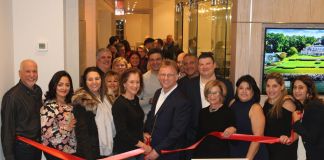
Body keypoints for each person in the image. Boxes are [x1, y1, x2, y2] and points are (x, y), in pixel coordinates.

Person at [144, 59, 191, 160]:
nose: (165, 78)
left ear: (177, 76)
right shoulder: (157, 93)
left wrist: (157, 150)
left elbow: (177, 132)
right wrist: (145, 131)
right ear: (158, 76)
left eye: (169, 75)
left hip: (169, 153)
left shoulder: (183, 100)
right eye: (162, 74)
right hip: (152, 147)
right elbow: (152, 115)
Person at [186, 53, 234, 148]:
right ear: (198, 66)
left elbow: (230, 108)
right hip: (194, 138)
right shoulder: (187, 85)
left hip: (220, 138)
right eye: (201, 64)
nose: (204, 67)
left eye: (208, 63)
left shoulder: (226, 84)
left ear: (214, 65)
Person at [1, 59, 43, 160]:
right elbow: (7, 129)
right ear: (20, 74)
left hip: (37, 146)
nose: (32, 75)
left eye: (34, 71)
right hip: (22, 150)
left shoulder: (38, 91)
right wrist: (9, 156)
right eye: (28, 71)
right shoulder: (11, 96)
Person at [72, 67, 115, 160]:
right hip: (91, 152)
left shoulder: (108, 98)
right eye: (90, 79)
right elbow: (82, 134)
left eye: (97, 78)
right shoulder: (81, 101)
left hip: (109, 148)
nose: (94, 82)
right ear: (85, 82)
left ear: (101, 80)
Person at [112, 68, 151, 159]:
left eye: (137, 82)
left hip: (137, 149)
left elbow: (134, 124)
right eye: (131, 82)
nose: (135, 85)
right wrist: (143, 146)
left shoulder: (135, 99)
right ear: (124, 84)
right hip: (126, 152)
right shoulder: (119, 104)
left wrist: (142, 134)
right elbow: (123, 132)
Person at [194, 80, 236, 158]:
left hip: (220, 154)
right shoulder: (202, 112)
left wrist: (232, 130)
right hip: (202, 154)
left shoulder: (228, 112)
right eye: (209, 93)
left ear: (221, 94)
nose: (212, 96)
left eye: (215, 93)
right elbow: (198, 136)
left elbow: (234, 132)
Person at [229, 75, 268, 160]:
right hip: (235, 152)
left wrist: (248, 159)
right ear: (237, 90)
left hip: (252, 155)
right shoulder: (233, 103)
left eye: (248, 88)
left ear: (253, 91)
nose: (244, 91)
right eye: (241, 88)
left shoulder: (255, 108)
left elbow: (258, 138)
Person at [40, 71, 76, 160]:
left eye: (67, 85)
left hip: (72, 151)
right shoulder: (49, 107)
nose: (64, 88)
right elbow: (46, 133)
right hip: (56, 153)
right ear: (54, 86)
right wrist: (66, 128)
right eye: (60, 85)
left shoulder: (71, 104)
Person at [263, 72, 298, 160]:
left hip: (284, 153)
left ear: (282, 86)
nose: (270, 89)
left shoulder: (287, 103)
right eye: (268, 86)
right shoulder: (267, 102)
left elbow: (297, 129)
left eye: (274, 86)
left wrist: (289, 139)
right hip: (269, 151)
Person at [292, 75, 324, 160]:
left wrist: (296, 122)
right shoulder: (307, 106)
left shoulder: (314, 106)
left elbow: (311, 137)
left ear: (309, 91)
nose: (296, 91)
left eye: (301, 87)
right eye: (295, 87)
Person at [139, 48, 163, 117]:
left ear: (162, 60)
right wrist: (149, 101)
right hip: (148, 119)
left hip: (166, 118)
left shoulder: (169, 77)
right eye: (152, 60)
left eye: (158, 59)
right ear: (149, 61)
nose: (155, 62)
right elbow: (134, 101)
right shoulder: (143, 78)